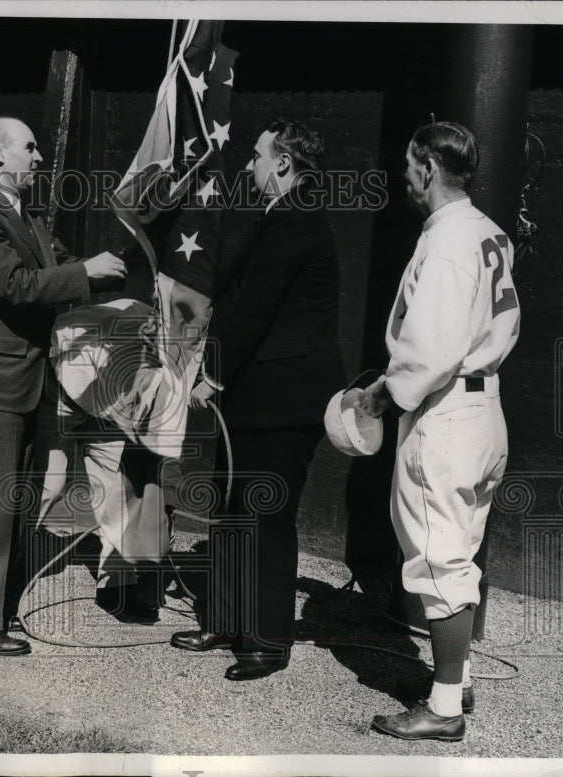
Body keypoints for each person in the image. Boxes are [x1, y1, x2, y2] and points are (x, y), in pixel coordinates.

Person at [358, 121, 520, 741]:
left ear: (428, 168)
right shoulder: (487, 230)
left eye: (409, 163)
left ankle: (445, 710)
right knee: (458, 551)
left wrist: (381, 395)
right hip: (484, 409)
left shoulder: (449, 239)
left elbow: (432, 348)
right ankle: (459, 679)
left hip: (447, 412)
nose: (404, 174)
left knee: (438, 561)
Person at [170, 117, 345, 680]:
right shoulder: (278, 216)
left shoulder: (296, 220)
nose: (249, 166)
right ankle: (225, 620)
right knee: (229, 509)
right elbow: (236, 293)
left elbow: (254, 308)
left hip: (283, 403)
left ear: (284, 163)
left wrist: (213, 377)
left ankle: (268, 640)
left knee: (265, 517)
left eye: (257, 156)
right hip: (255, 398)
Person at [0, 116, 127, 656]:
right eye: (29, 147)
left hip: (24, 376)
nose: (38, 157)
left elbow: (63, 266)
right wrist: (87, 273)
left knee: (17, 499)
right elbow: (17, 286)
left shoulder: (25, 217)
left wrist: (108, 270)